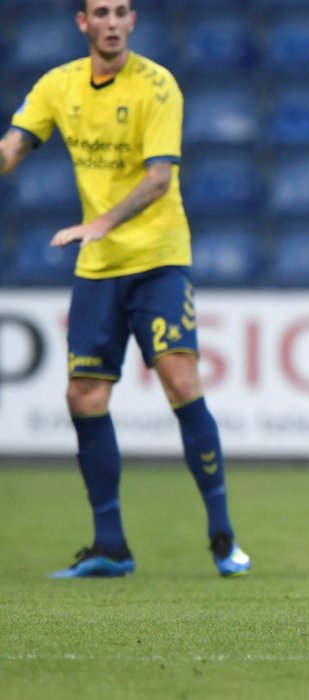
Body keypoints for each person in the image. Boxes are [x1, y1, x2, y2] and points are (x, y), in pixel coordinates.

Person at [0, 0, 250, 579]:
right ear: (82, 23)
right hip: (97, 268)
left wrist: (101, 224)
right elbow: (15, 144)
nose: (111, 21)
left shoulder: (157, 85)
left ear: (132, 21)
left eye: (120, 11)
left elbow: (159, 178)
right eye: (99, 12)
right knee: (83, 397)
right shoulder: (57, 85)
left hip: (158, 258)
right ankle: (110, 544)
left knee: (179, 380)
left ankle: (222, 536)